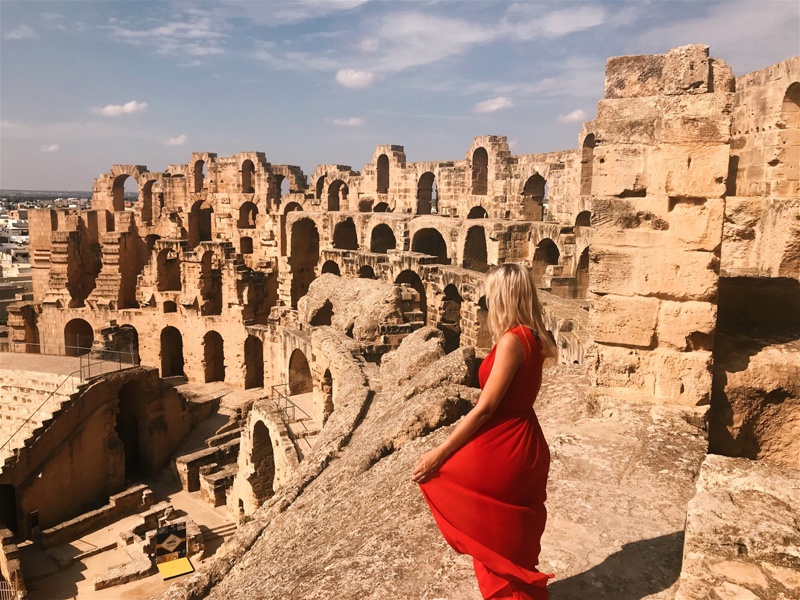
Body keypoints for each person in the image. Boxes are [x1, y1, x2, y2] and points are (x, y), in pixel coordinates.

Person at [412, 262, 557, 600]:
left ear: (504, 296)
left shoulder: (511, 341)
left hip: (506, 443)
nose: (488, 302)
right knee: (508, 537)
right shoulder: (533, 336)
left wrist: (439, 453)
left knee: (487, 532)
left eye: (491, 295)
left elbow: (487, 408)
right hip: (526, 439)